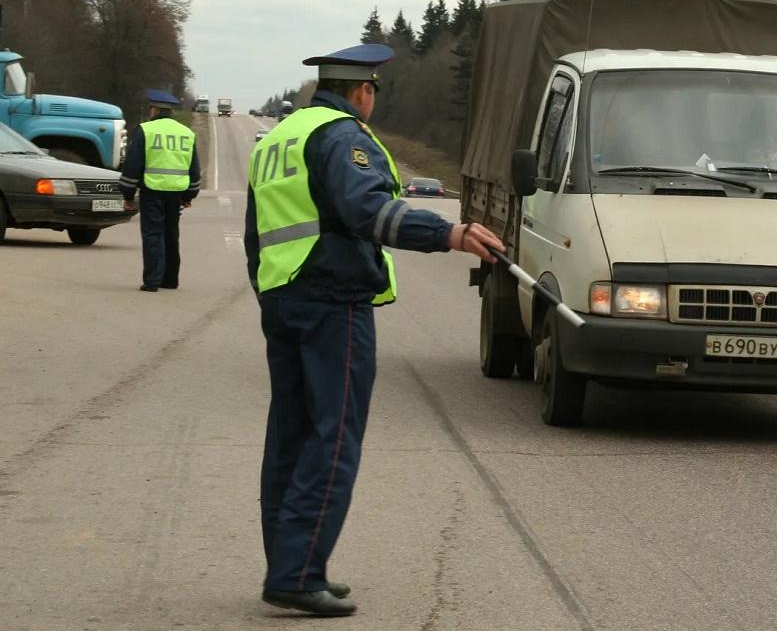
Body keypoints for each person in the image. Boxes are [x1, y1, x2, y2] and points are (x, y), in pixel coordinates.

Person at [244, 43, 501, 618]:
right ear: (363, 90)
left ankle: (289, 564)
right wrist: (448, 235)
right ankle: (298, 572)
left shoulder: (281, 138)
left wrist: (269, 293)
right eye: (373, 91)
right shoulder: (343, 137)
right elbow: (368, 212)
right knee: (333, 438)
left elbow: (253, 230)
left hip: (284, 296)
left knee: (291, 435)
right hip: (333, 299)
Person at [119, 89, 201, 292]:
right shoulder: (186, 133)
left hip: (153, 190)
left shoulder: (146, 130)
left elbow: (133, 164)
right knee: (171, 234)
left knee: (153, 235)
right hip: (176, 193)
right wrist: (190, 195)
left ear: (153, 109)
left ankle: (152, 281)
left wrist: (128, 194)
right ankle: (170, 279)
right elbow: (194, 168)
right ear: (171, 111)